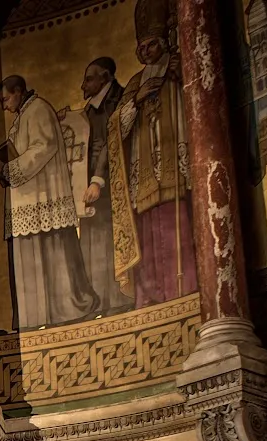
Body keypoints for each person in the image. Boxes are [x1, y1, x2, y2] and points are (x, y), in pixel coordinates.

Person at [0, 76, 99, 330]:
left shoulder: (38, 110)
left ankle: (68, 310)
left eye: (5, 99)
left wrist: (8, 167)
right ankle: (37, 318)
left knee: (52, 253)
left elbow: (42, 148)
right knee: (32, 256)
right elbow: (18, 150)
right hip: (26, 198)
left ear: (18, 91)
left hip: (42, 197)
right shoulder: (24, 115)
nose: (4, 106)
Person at [115, 0, 197, 307]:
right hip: (144, 169)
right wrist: (135, 100)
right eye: (142, 47)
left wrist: (181, 76)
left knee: (179, 226)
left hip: (175, 161)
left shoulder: (178, 66)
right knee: (148, 234)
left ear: (163, 43)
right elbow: (117, 130)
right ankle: (151, 296)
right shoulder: (136, 82)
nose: (147, 51)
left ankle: (185, 289)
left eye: (152, 45)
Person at [60, 57, 132, 315]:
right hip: (89, 189)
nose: (83, 85)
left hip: (110, 185)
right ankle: (98, 301)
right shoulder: (90, 109)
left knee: (108, 240)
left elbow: (108, 143)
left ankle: (117, 300)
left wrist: (97, 181)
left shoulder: (118, 101)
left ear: (105, 77)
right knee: (91, 241)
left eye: (89, 79)